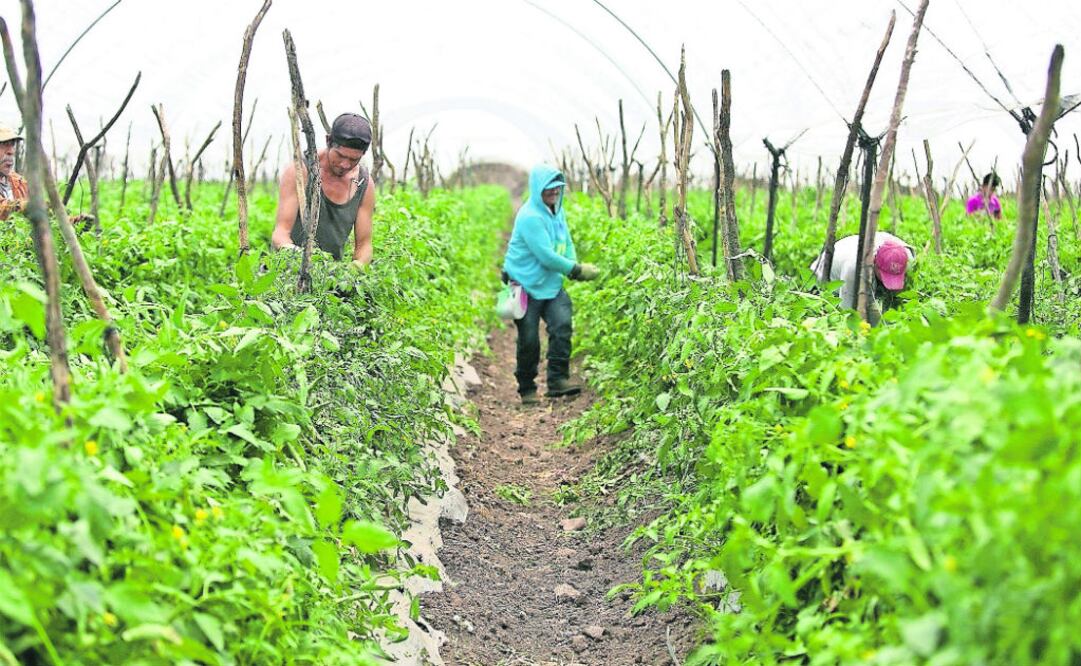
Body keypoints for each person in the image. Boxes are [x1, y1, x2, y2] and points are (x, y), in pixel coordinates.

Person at [502, 165, 599, 405]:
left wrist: (573, 261)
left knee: (562, 325)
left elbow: (565, 242)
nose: (554, 191)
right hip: (524, 284)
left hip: (551, 283)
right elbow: (545, 255)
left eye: (558, 187)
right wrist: (575, 270)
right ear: (538, 189)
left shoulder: (557, 210)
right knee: (529, 339)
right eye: (549, 187)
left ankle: (557, 381)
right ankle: (527, 388)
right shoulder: (530, 217)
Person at [271, 113, 375, 267]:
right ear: (328, 141)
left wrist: (355, 268)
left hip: (330, 280)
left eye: (354, 159)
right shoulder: (300, 172)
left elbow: (364, 245)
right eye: (340, 155)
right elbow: (280, 234)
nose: (345, 164)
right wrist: (301, 258)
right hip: (288, 269)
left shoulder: (363, 184)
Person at [810, 231, 914, 311]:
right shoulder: (854, 268)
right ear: (875, 263)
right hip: (825, 275)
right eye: (886, 275)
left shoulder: (905, 255)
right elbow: (847, 312)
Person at [0, 125, 28, 221]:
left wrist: (72, 221)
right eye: (4, 144)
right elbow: (2, 209)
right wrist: (23, 207)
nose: (11, 151)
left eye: (12, 144)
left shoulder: (19, 182)